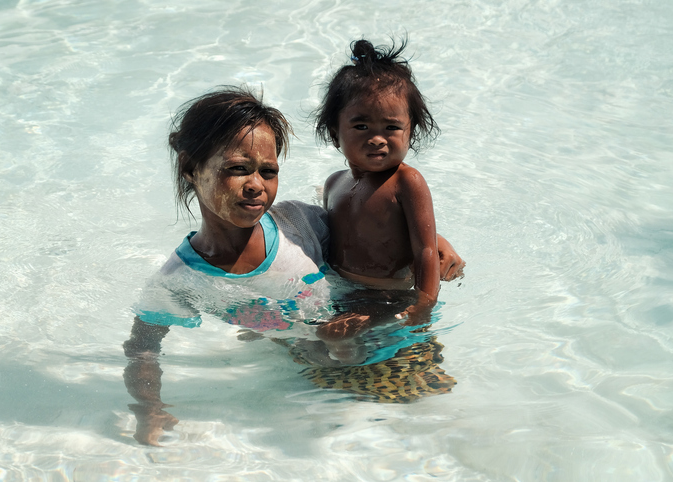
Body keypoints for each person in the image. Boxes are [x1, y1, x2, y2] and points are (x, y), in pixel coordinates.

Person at [124, 86, 464, 445]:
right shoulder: (180, 280)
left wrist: (435, 244)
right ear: (191, 168)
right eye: (238, 169)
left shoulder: (298, 225)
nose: (256, 185)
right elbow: (142, 347)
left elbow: (369, 230)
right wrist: (149, 410)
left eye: (268, 172)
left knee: (437, 428)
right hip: (311, 366)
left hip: (389, 342)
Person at [315, 38, 461, 322]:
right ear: (335, 134)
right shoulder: (334, 183)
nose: (377, 138)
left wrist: (424, 305)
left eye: (392, 127)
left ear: (411, 132)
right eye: (361, 126)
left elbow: (426, 250)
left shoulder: (407, 182)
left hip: (389, 296)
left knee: (343, 344)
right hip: (339, 290)